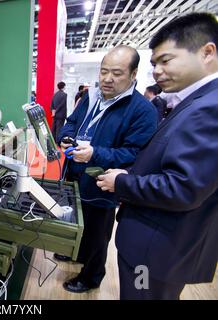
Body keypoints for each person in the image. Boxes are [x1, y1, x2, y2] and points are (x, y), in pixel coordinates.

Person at [96, 12, 218, 300]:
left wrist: (122, 182)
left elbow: (183, 188)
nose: (158, 71)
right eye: (155, 64)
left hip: (155, 249)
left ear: (207, 52)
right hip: (153, 244)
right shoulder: (192, 102)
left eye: (166, 60)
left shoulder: (208, 108)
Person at [55, 45, 158, 293]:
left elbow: (135, 154)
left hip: (103, 179)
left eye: (117, 73)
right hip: (75, 171)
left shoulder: (142, 110)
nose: (107, 79)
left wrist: (95, 153)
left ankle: (91, 276)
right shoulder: (91, 96)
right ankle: (76, 253)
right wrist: (67, 137)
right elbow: (71, 123)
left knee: (97, 232)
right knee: (76, 218)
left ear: (133, 74)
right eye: (104, 71)